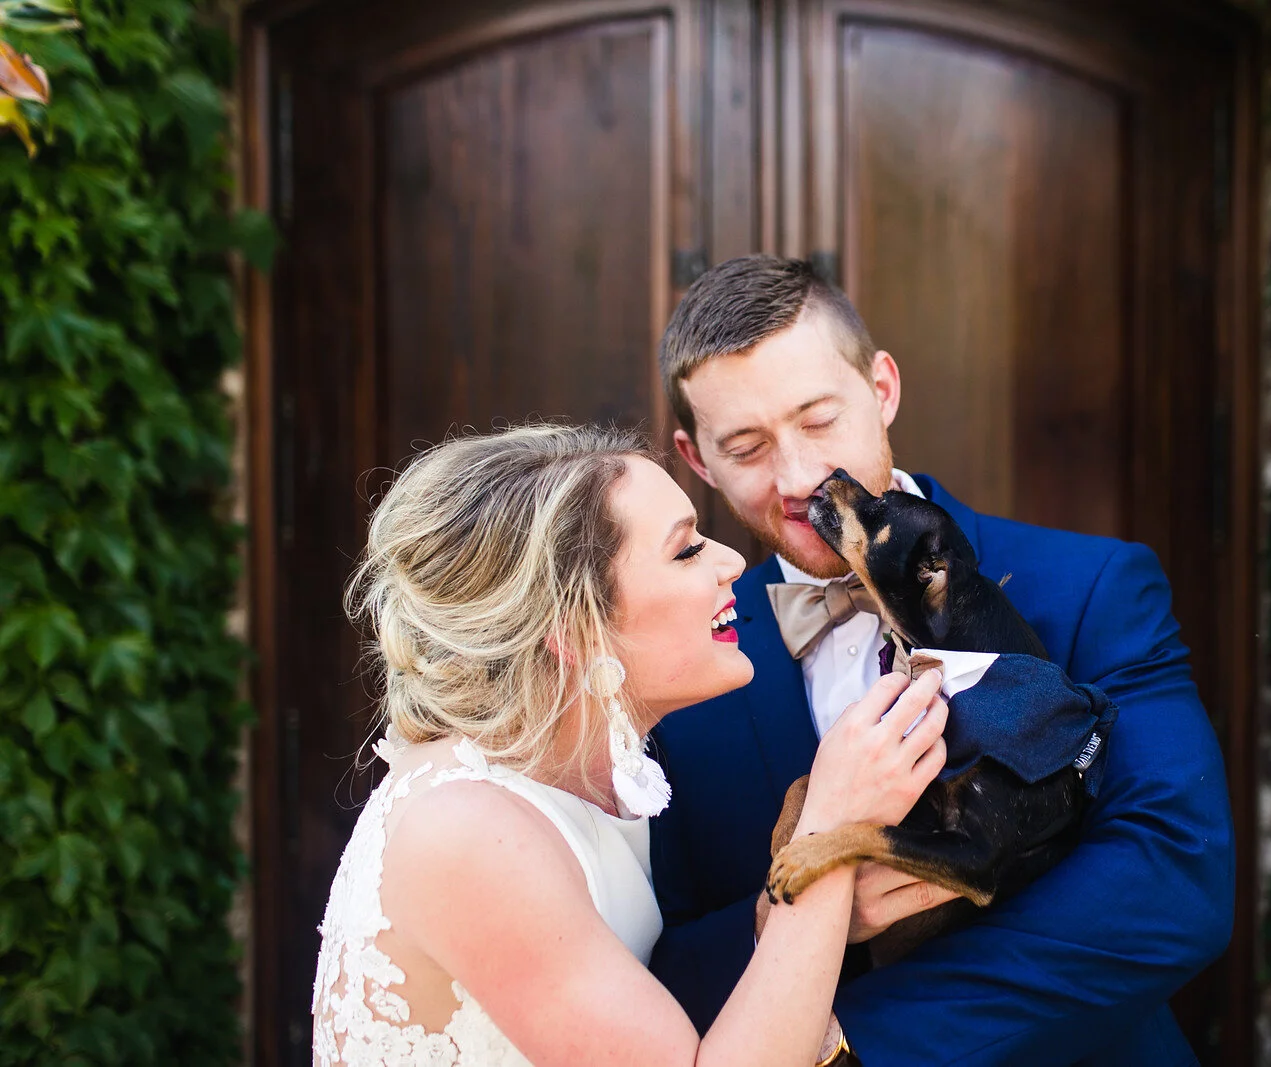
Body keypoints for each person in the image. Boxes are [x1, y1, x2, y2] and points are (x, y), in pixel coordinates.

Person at [647, 256, 1236, 1065]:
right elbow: (664, 966)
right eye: (745, 446)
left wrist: (864, 1039)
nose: (798, 478)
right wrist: (807, 915)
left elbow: (1175, 878)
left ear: (882, 388)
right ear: (696, 457)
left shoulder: (1092, 587)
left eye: (819, 421)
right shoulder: (671, 665)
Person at [310, 423, 949, 1066]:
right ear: (575, 626)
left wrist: (780, 918)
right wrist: (830, 828)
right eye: (686, 551)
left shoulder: (595, 770)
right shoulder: (467, 831)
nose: (732, 562)